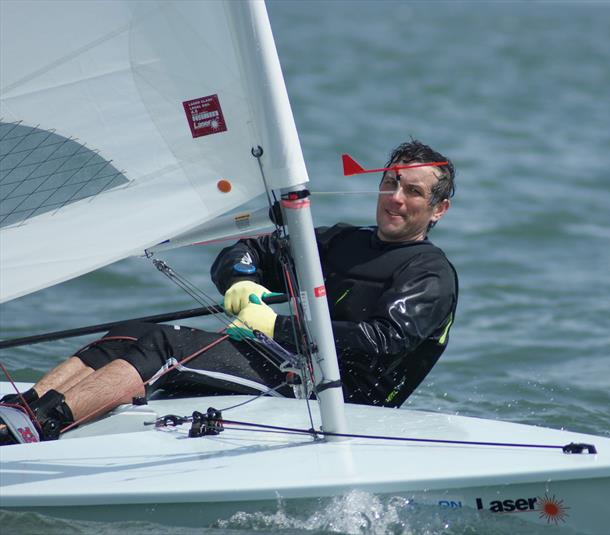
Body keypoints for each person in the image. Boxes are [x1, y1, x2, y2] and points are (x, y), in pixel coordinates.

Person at [0, 140, 458, 443]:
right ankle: (22, 410)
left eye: (413, 192)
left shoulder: (430, 273)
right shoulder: (341, 241)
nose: (396, 197)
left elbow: (385, 339)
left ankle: (43, 427)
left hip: (327, 398)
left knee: (164, 345)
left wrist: (275, 324)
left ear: (438, 209)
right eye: (390, 182)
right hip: (282, 362)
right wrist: (241, 281)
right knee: (130, 332)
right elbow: (249, 250)